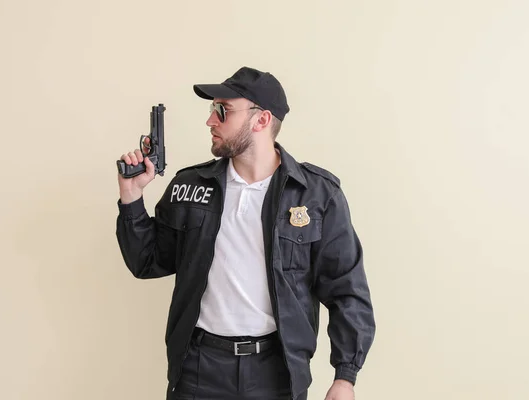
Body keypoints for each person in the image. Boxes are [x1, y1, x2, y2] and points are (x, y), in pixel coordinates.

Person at [115, 66, 375, 400]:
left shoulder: (316, 195)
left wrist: (345, 377)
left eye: (223, 110)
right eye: (212, 109)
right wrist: (132, 196)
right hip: (199, 369)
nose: (211, 120)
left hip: (275, 373)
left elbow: (346, 288)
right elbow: (147, 261)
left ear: (262, 120)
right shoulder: (190, 186)